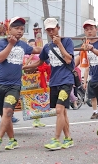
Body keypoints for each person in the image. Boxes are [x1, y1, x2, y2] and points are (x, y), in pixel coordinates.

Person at [0, 17, 42, 150]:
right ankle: (12, 140)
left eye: (22, 29)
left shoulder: (23, 45)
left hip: (14, 85)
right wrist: (11, 44)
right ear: (9, 29)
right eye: (16, 28)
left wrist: (55, 45)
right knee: (4, 115)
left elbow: (37, 50)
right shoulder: (1, 43)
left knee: (8, 111)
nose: (20, 31)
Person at [23, 18, 74, 150]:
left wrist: (60, 44)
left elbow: (68, 60)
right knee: (62, 112)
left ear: (58, 28)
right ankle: (68, 138)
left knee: (58, 109)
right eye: (49, 30)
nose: (51, 32)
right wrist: (24, 68)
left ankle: (56, 139)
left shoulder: (67, 41)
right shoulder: (47, 47)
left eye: (53, 29)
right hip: (54, 82)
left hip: (66, 81)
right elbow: (40, 62)